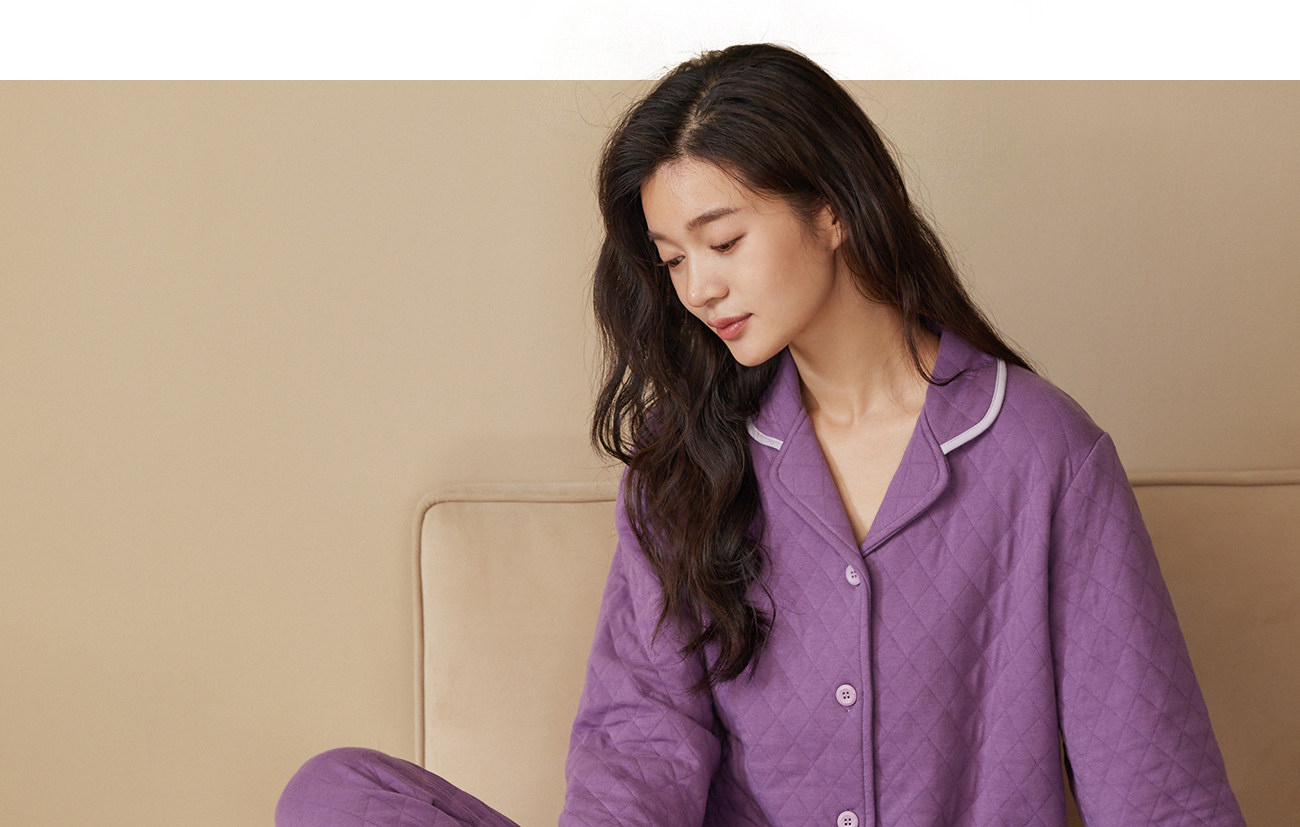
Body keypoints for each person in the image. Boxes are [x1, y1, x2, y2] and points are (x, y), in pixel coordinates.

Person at [277, 44, 1243, 826]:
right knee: (333, 794)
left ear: (832, 208)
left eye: (724, 240)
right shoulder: (687, 459)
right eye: (673, 260)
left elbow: (1155, 785)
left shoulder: (1043, 453)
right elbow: (643, 736)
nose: (698, 288)